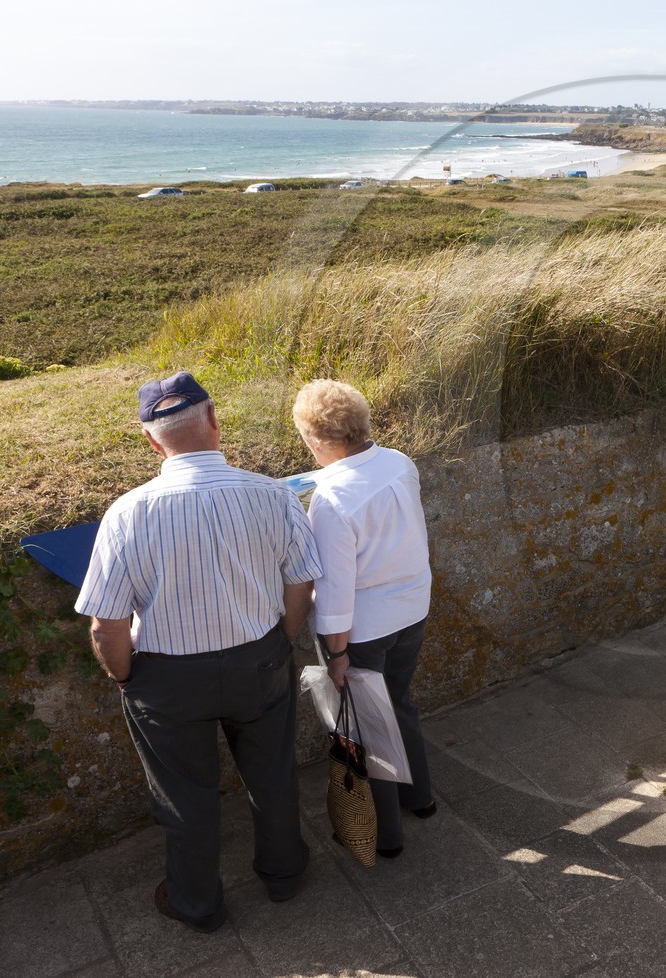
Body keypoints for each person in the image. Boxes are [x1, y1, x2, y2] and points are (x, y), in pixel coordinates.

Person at [76, 371, 323, 932]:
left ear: (150, 440)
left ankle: (197, 903)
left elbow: (106, 626)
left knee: (186, 796)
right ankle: (284, 876)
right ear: (214, 421)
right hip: (259, 660)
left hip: (167, 678)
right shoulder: (271, 494)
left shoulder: (127, 514)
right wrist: (280, 639)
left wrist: (125, 676)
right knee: (273, 774)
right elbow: (301, 583)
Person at [292, 379, 435, 858]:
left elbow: (333, 592)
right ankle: (421, 798)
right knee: (398, 701)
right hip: (412, 607)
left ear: (314, 441)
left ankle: (386, 836)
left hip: (366, 629)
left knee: (365, 728)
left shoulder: (329, 501)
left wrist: (336, 654)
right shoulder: (400, 463)